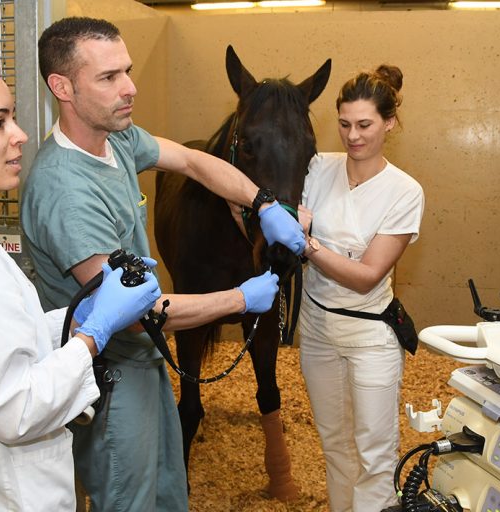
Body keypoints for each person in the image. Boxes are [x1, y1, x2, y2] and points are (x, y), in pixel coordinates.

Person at [20, 16, 305, 512]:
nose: (130, 87)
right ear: (62, 87)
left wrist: (262, 203)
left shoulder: (115, 138)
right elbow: (134, 315)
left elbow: (194, 162)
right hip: (109, 375)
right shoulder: (66, 193)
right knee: (129, 499)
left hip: (145, 360)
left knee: (168, 491)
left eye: (127, 71)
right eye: (109, 77)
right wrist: (239, 299)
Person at [0, 46, 162, 511]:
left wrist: (76, 317)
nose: (20, 135)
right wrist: (93, 335)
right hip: (2, 495)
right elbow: (16, 407)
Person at [297, 65, 425, 512]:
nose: (353, 136)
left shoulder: (404, 191)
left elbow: (367, 274)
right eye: (345, 124)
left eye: (365, 125)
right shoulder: (318, 169)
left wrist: (306, 244)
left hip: (370, 335)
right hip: (316, 329)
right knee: (334, 445)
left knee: (375, 453)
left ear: (389, 123)